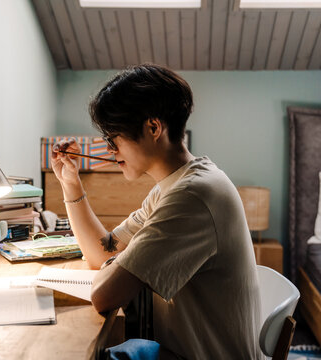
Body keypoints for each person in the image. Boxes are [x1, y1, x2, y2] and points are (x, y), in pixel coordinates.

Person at [50, 64, 263, 360]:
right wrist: (70, 185)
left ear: (153, 128)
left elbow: (104, 296)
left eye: (114, 139)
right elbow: (102, 251)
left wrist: (122, 261)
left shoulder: (193, 196)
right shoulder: (171, 188)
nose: (111, 151)